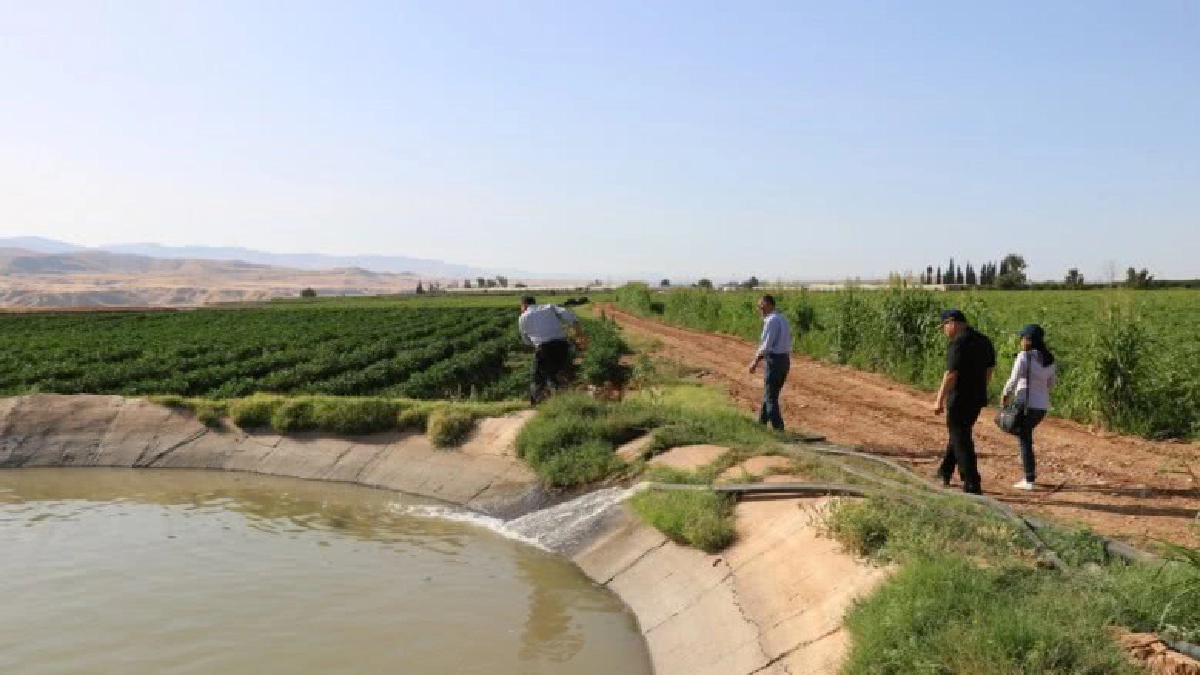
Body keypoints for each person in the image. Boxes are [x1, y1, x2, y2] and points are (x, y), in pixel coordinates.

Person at [933, 309, 996, 494]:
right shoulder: (984, 340)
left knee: (961, 439)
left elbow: (951, 374)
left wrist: (939, 400)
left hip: (959, 397)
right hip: (977, 397)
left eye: (944, 326)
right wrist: (981, 388)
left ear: (952, 323)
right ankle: (944, 471)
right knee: (960, 434)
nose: (944, 330)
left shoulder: (958, 343)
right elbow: (990, 369)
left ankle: (972, 482)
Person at [1001, 324, 1057, 491]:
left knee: (1022, 437)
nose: (1021, 341)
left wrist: (1005, 394)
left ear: (1029, 340)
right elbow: (1052, 383)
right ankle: (1029, 475)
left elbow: (1013, 379)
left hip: (1025, 404)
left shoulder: (1024, 357)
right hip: (1041, 406)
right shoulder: (1050, 359)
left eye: (1023, 338)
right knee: (1024, 435)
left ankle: (1029, 478)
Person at [518, 296, 584, 405]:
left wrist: (536, 344)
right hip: (562, 345)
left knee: (538, 376)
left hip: (544, 348)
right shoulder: (549, 307)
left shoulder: (523, 317)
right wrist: (578, 334)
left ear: (524, 305)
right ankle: (565, 399)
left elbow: (526, 340)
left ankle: (538, 403)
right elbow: (571, 317)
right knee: (559, 372)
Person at [748, 295, 792, 431]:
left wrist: (754, 362)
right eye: (759, 305)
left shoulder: (771, 320)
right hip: (785, 360)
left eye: (762, 304)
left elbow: (766, 346)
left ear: (770, 305)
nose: (760, 308)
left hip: (775, 361)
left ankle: (779, 430)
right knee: (771, 395)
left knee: (770, 397)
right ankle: (761, 425)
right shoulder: (782, 318)